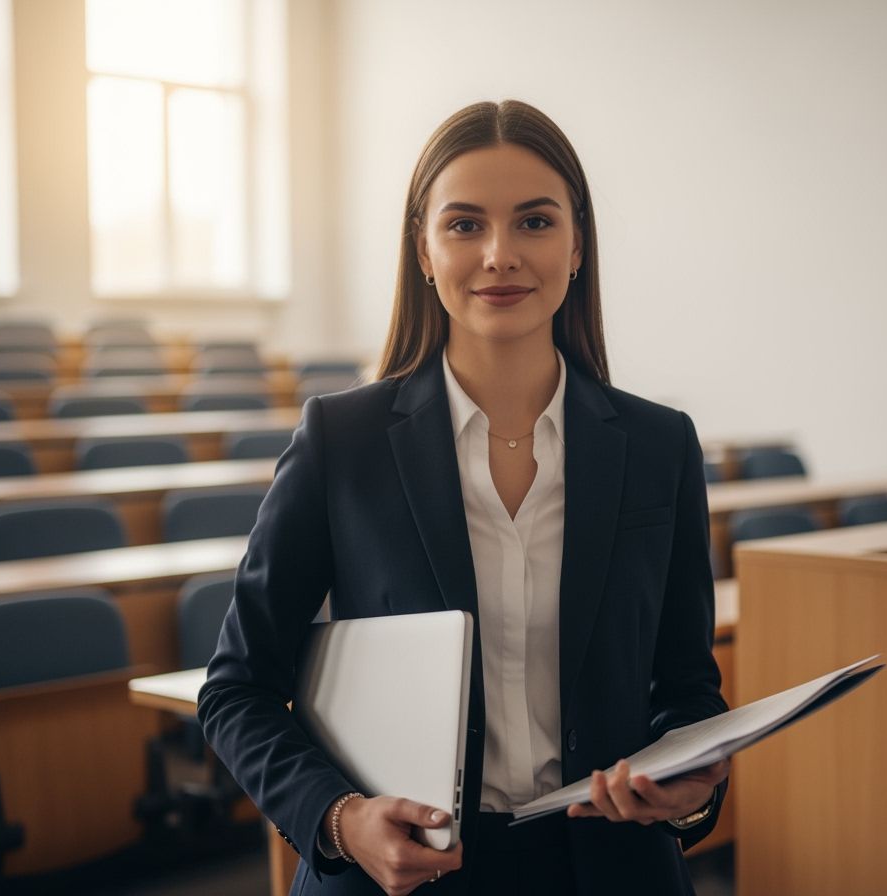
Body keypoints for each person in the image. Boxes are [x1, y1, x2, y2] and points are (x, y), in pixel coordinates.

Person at [198, 99, 729, 896]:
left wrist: (689, 790)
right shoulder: (341, 442)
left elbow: (686, 690)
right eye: (465, 225)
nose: (500, 255)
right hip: (403, 875)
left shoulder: (660, 447)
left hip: (608, 867)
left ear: (578, 242)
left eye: (535, 223)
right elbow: (236, 689)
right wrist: (339, 819)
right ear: (423, 247)